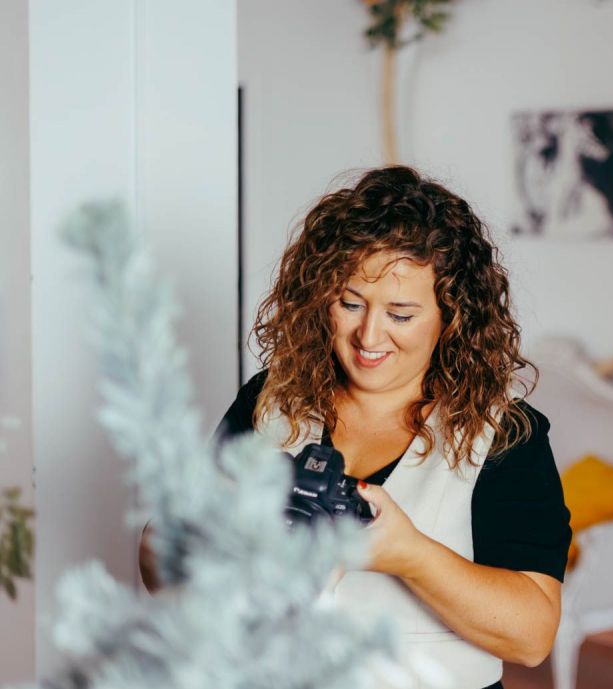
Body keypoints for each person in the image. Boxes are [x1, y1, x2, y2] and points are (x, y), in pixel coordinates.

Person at [140, 165, 571, 689]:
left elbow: (531, 637)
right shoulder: (271, 400)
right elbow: (160, 566)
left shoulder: (502, 433)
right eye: (350, 303)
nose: (369, 335)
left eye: (401, 315)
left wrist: (411, 556)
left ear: (450, 315)